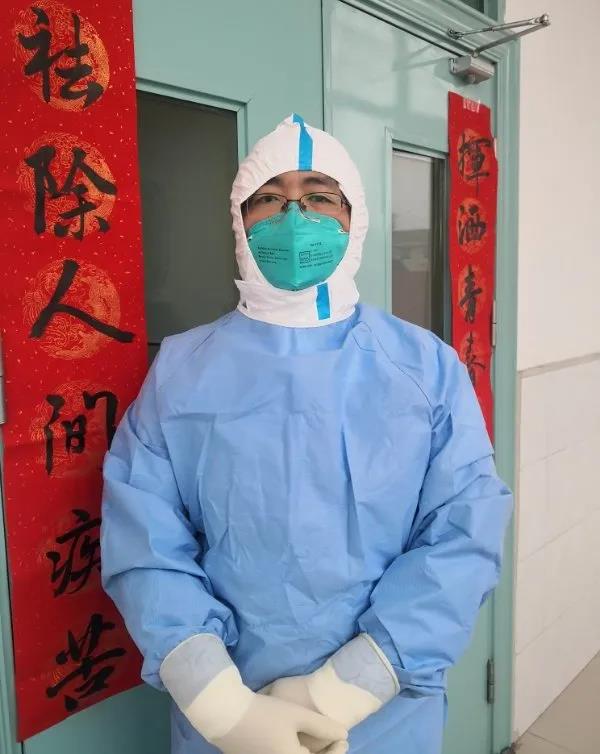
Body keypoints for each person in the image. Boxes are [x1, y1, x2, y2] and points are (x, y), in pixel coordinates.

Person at [100, 114, 514, 754]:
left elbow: (464, 532)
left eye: (319, 197)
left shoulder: (424, 368)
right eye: (269, 199)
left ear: (355, 219)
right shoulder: (181, 371)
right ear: (239, 221)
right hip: (227, 714)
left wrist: (346, 689)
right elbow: (144, 540)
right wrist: (220, 703)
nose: (294, 217)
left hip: (382, 715)